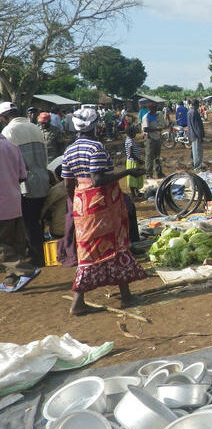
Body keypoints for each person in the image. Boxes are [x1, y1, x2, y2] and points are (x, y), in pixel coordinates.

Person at [61, 108, 147, 315]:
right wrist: (127, 171)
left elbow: (67, 183)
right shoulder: (96, 148)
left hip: (82, 202)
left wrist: (76, 202)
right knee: (112, 245)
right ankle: (78, 302)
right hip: (100, 203)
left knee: (92, 249)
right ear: (94, 126)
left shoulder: (69, 150)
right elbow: (98, 180)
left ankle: (125, 294)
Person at [1, 102, 50, 267]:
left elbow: (10, 162)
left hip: (25, 184)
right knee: (38, 220)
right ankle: (41, 254)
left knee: (28, 223)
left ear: (4, 117)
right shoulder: (35, 127)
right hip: (43, 179)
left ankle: (36, 257)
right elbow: (45, 154)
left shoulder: (8, 132)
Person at [0, 126, 32, 283]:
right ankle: (11, 278)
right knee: (15, 242)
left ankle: (24, 269)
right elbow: (22, 176)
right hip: (14, 201)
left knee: (2, 246)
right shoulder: (12, 147)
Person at [141, 101, 164, 178]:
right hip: (149, 139)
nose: (155, 110)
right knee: (149, 157)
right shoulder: (146, 117)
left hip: (157, 137)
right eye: (153, 108)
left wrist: (158, 129)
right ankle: (148, 174)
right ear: (150, 109)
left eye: (155, 108)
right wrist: (156, 129)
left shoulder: (156, 115)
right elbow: (145, 129)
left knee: (157, 157)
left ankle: (159, 173)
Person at [124, 125, 144, 200]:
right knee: (133, 179)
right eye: (134, 132)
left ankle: (137, 192)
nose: (135, 134)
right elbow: (131, 154)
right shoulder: (129, 141)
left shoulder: (130, 140)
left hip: (135, 161)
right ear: (131, 133)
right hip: (132, 162)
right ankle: (133, 194)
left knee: (137, 178)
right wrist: (139, 160)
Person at [187, 99, 205, 171]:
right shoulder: (194, 112)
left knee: (194, 151)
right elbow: (196, 126)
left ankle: (195, 165)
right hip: (196, 135)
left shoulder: (189, 112)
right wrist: (199, 136)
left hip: (191, 134)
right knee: (197, 152)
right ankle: (197, 168)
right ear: (196, 105)